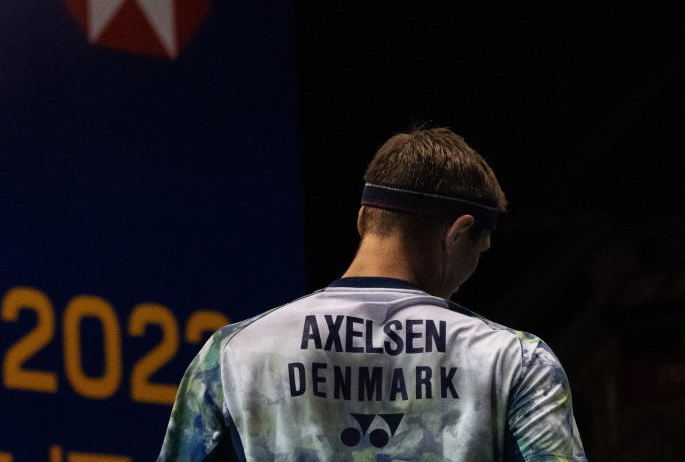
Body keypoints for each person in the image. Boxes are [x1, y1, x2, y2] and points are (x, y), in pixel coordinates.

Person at [157, 124, 588, 461]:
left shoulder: (232, 354)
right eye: (480, 250)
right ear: (459, 234)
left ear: (365, 218)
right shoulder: (514, 360)